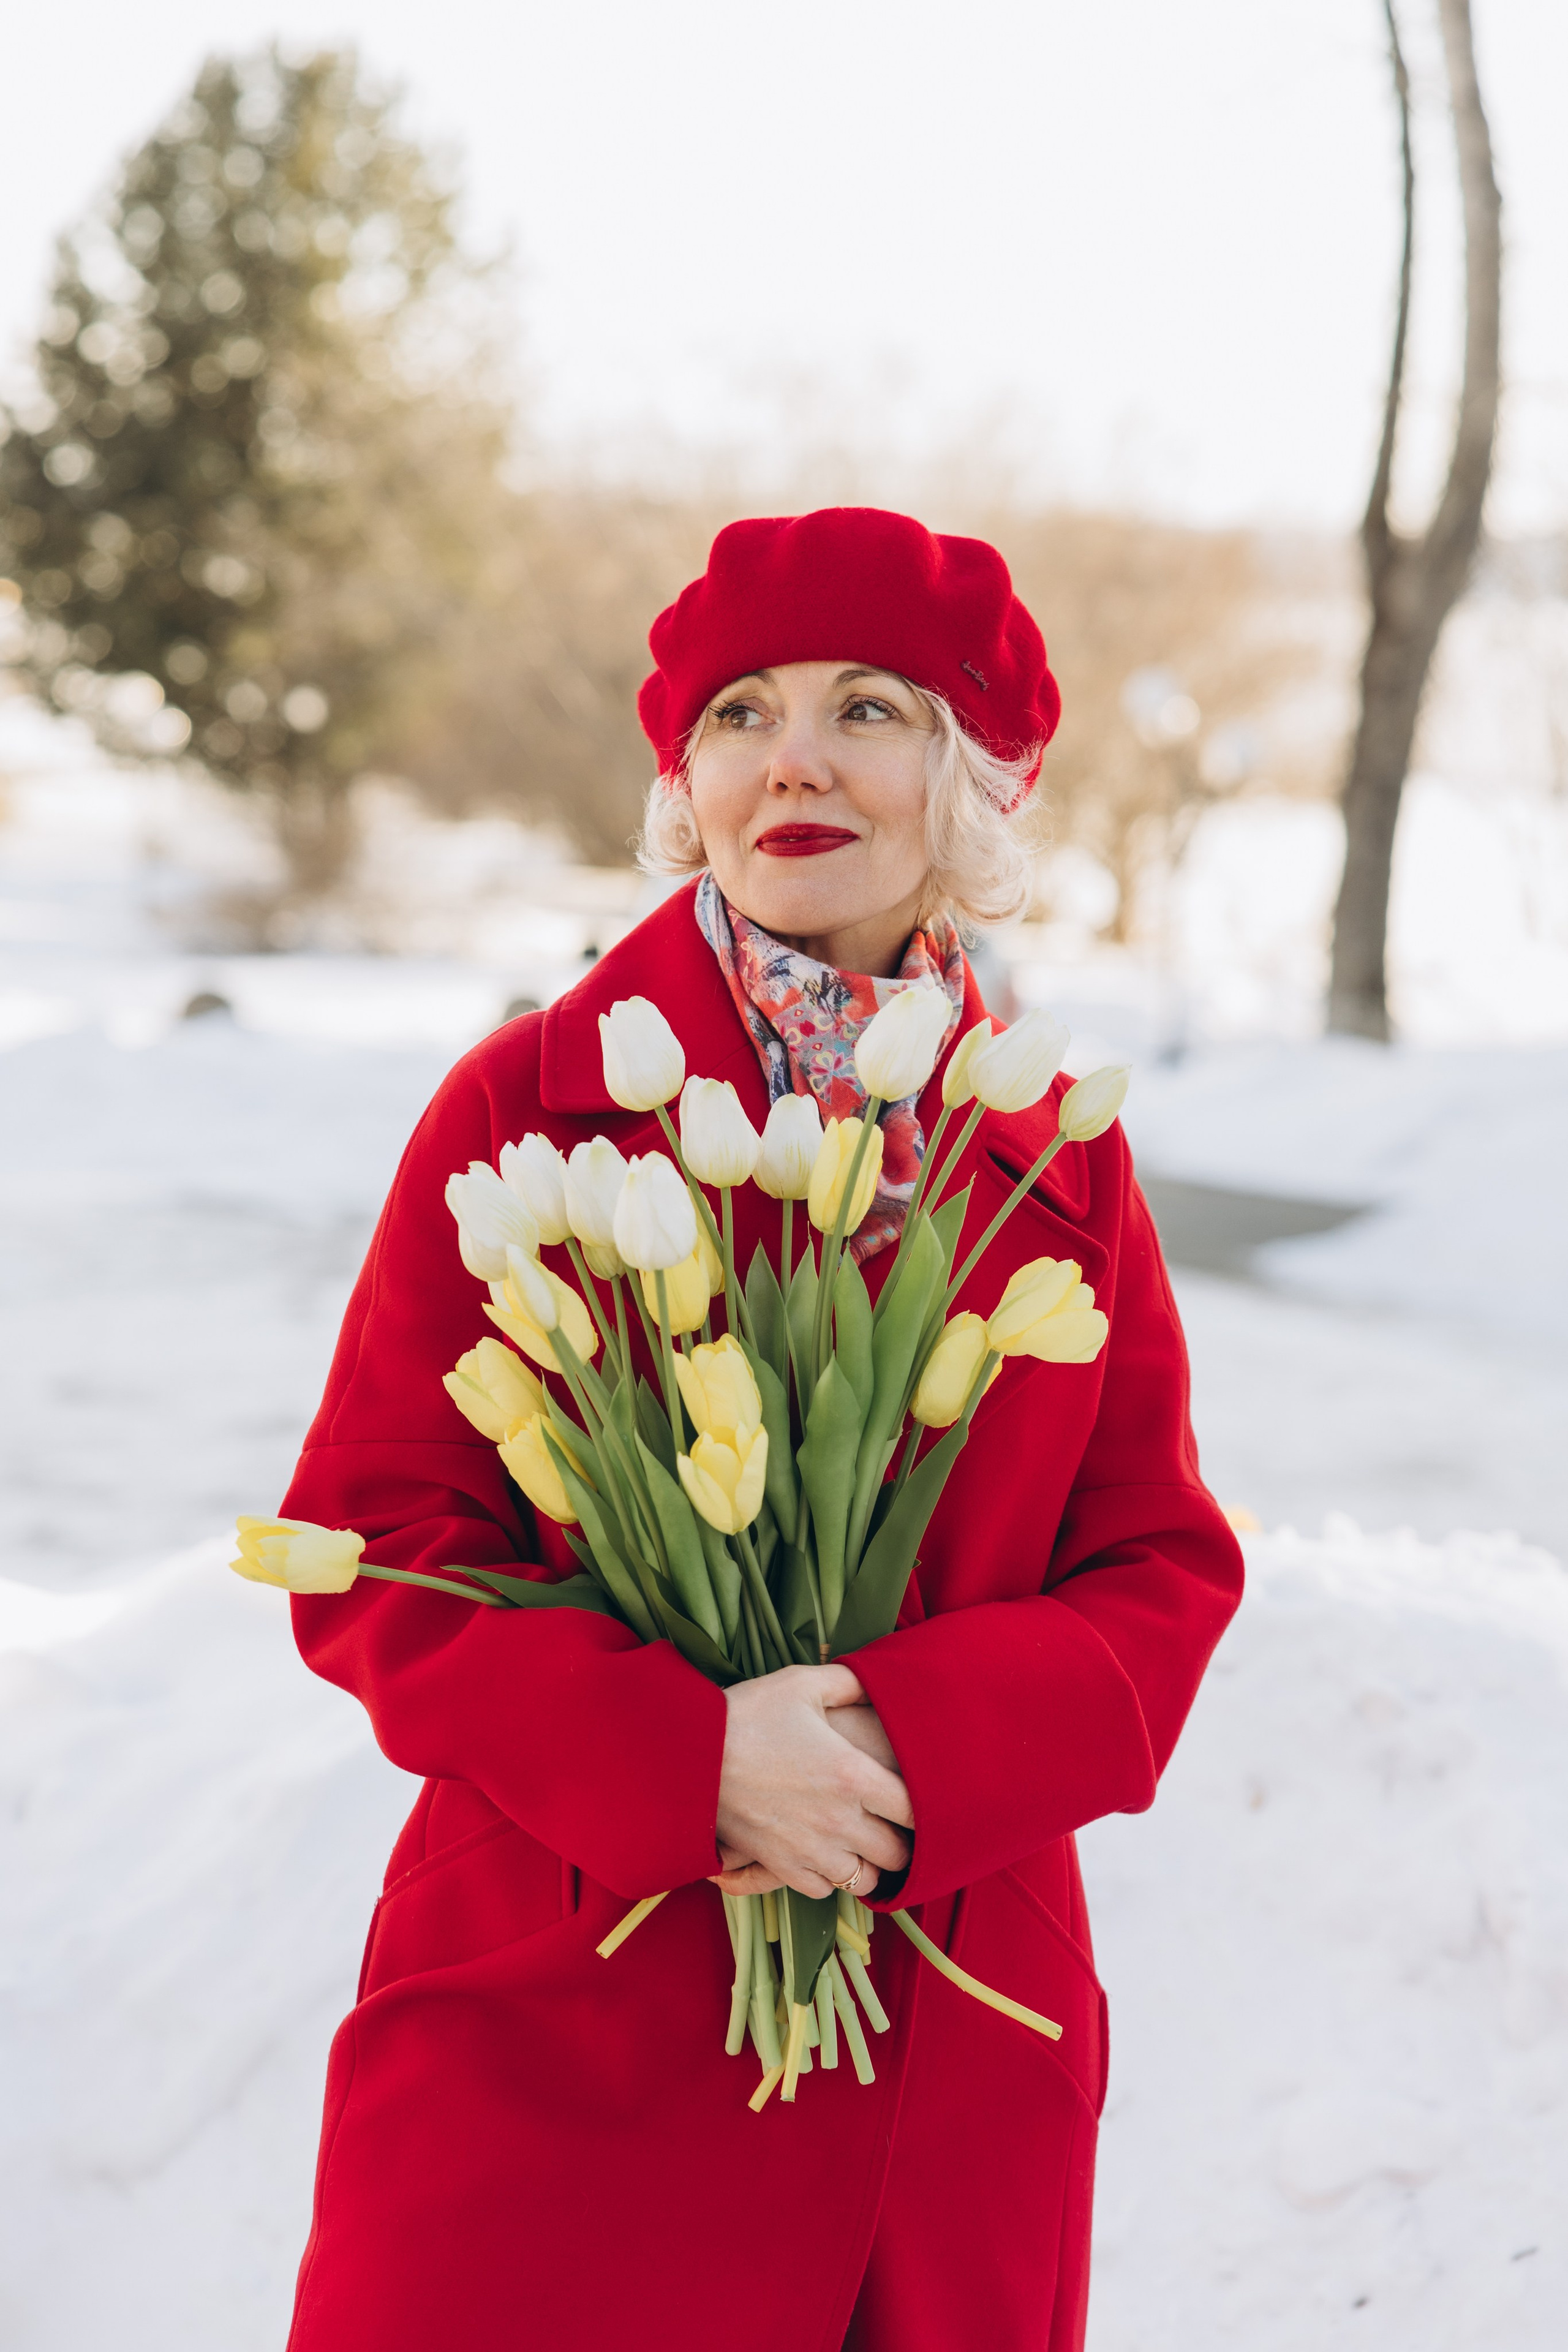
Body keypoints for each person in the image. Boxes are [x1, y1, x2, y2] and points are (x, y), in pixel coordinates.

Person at [280, 507, 1243, 2351]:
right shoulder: (524, 1112)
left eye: (868, 707)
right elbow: (377, 1547)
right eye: (741, 712)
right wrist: (690, 1758)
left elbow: (1158, 1571)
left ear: (967, 780)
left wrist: (897, 1755)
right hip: (567, 2006)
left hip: (942, 2029)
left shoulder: (1051, 1141)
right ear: (687, 780)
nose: (792, 755)